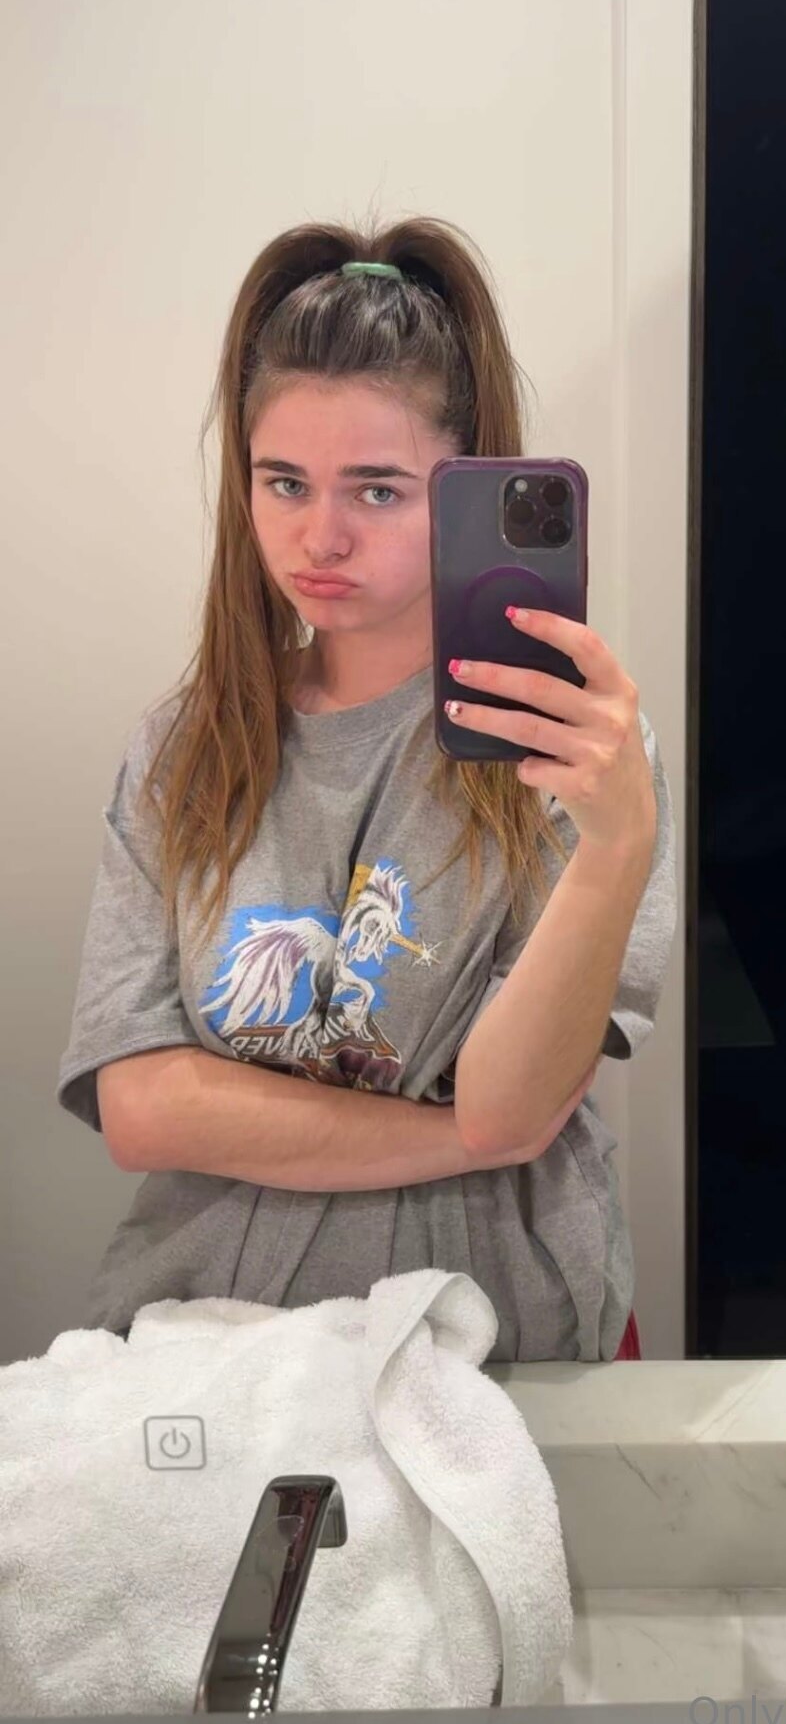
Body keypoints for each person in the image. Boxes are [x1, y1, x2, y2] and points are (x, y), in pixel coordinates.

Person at [56, 217, 675, 1363]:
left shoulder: (573, 755)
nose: (319, 536)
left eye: (378, 491)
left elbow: (514, 1098)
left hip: (492, 1340)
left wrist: (617, 849)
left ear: (461, 488)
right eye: (284, 482)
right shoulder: (184, 751)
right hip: (217, 1337)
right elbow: (139, 1109)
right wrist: (461, 1137)